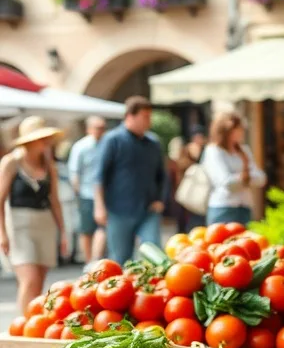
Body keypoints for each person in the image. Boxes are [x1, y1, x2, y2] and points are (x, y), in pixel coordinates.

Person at [0, 117, 67, 314]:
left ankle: (33, 321)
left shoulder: (49, 165)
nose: (46, 142)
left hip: (45, 223)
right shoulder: (12, 162)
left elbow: (55, 201)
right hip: (19, 225)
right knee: (29, 279)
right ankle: (23, 322)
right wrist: (2, 233)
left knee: (38, 281)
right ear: (30, 141)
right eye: (42, 139)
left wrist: (63, 232)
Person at [95, 96, 166, 265]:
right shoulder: (113, 140)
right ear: (130, 116)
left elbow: (161, 176)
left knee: (155, 255)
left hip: (148, 210)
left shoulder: (153, 143)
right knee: (120, 258)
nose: (148, 121)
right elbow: (99, 177)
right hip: (118, 211)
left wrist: (160, 199)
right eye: (145, 117)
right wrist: (99, 207)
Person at [201, 111, 266, 225]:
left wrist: (243, 178)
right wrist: (246, 177)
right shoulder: (213, 151)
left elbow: (261, 178)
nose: (241, 133)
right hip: (223, 207)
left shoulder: (244, 151)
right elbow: (226, 182)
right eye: (238, 129)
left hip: (244, 206)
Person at [66, 115, 106, 262]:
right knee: (87, 229)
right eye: (97, 128)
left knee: (103, 228)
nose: (100, 131)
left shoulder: (108, 144)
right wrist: (77, 192)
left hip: (105, 195)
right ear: (89, 129)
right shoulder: (81, 147)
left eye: (102, 128)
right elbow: (74, 172)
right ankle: (89, 261)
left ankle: (97, 259)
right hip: (87, 194)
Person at [175, 128, 207, 231]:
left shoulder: (206, 151)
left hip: (201, 192)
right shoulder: (186, 151)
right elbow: (180, 167)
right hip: (187, 191)